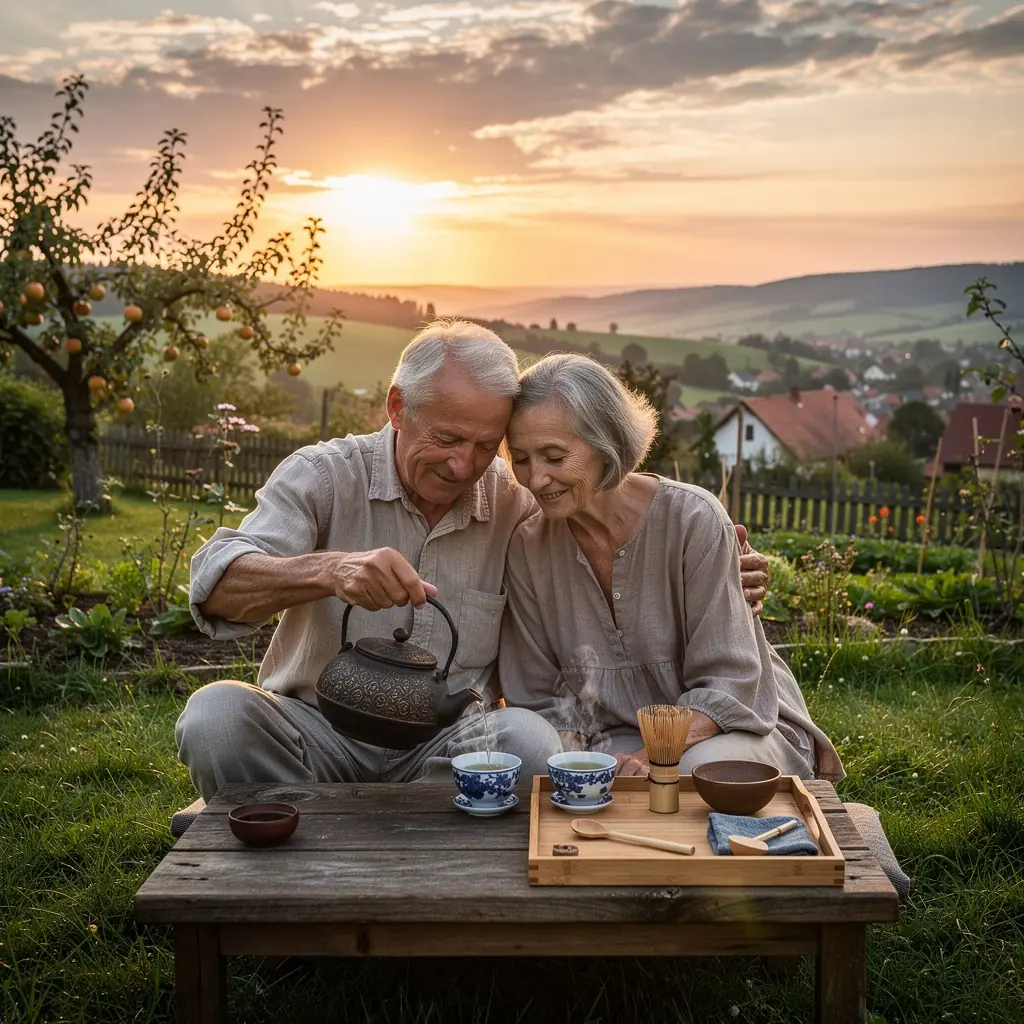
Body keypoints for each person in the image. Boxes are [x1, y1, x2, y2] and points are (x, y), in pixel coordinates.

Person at [175, 320, 773, 801]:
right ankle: (295, 819)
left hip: (447, 745)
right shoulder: (324, 476)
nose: (464, 466)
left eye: (487, 446)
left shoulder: (521, 504)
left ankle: (322, 817)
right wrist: (329, 570)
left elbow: (605, 530)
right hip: (318, 730)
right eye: (446, 439)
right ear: (397, 407)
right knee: (216, 716)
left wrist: (724, 564)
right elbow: (218, 586)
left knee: (531, 742)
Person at [497, 353, 844, 782]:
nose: (535, 479)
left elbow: (729, 683)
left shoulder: (693, 520)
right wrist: (578, 770)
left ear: (606, 444)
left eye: (553, 456)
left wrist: (648, 756)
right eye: (522, 458)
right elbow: (539, 696)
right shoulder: (528, 546)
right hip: (613, 738)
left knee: (694, 772)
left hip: (730, 727)